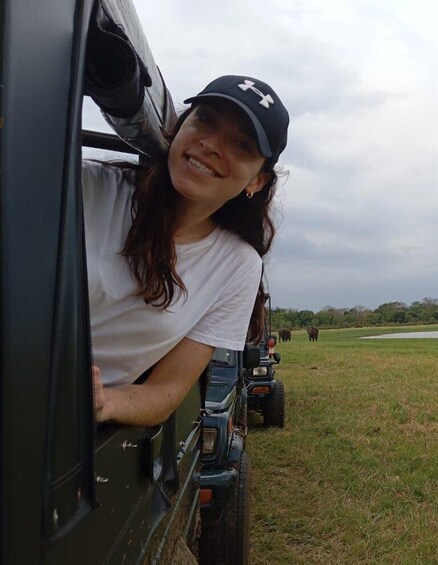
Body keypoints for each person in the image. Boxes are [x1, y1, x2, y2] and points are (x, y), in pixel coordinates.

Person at [85, 75, 289, 427]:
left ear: (257, 181)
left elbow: (167, 389)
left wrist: (107, 403)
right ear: (179, 126)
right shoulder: (88, 187)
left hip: (63, 436)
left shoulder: (237, 266)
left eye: (241, 144)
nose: (211, 145)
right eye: (205, 119)